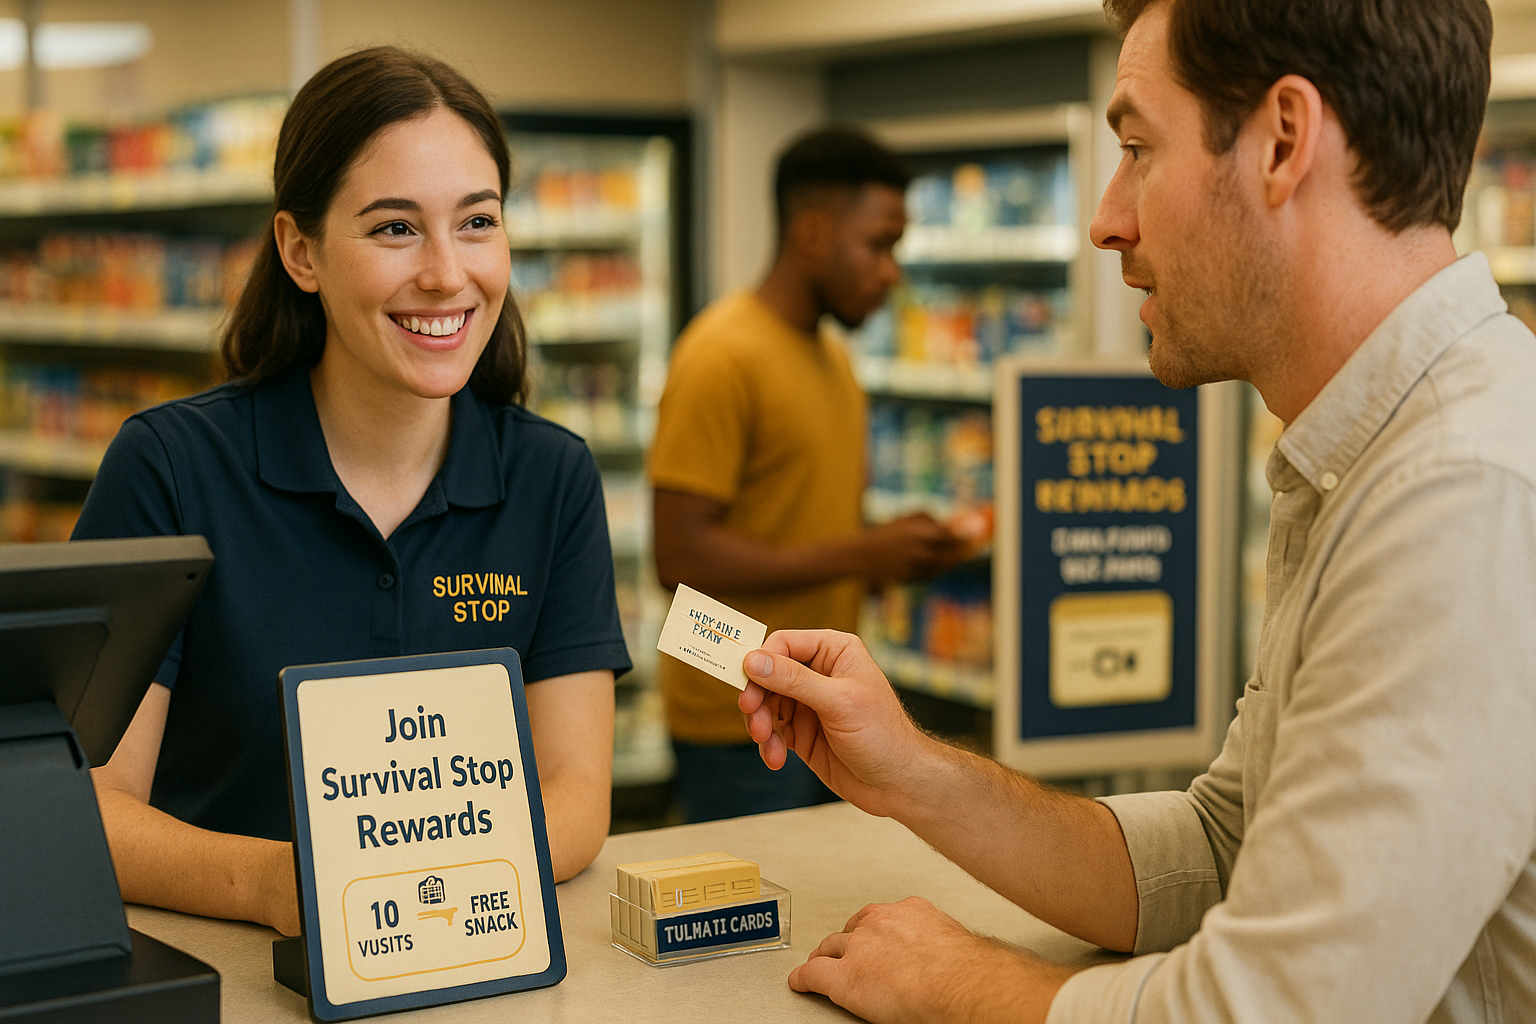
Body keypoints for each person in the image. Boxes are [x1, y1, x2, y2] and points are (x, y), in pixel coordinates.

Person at [739, 0, 1536, 1021]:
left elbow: (1275, 1009)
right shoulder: (1369, 458)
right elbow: (1220, 851)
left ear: (1283, 141)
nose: (1107, 216)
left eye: (1136, 147)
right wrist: (914, 774)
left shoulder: (1462, 496)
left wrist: (960, 983)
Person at [76, 48, 630, 937]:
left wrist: (431, 901)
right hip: (229, 971)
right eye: (395, 228)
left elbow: (574, 796)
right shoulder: (170, 468)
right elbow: (88, 805)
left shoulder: (552, 479)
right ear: (300, 251)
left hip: (468, 967)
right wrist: (285, 886)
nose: (448, 274)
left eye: (477, 221)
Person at [649, 127, 967, 822]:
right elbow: (676, 556)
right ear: (816, 232)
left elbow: (804, 528)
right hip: (738, 718)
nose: (891, 272)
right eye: (879, 245)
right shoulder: (720, 355)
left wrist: (893, 555)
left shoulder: (834, 359)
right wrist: (862, 551)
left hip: (825, 708)